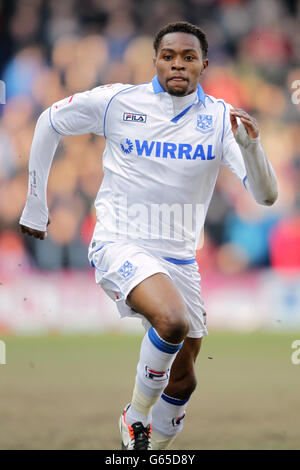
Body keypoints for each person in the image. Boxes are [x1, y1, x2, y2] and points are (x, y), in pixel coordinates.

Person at [19, 21, 278, 450]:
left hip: (180, 259)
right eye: (169, 56)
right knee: (172, 321)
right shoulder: (119, 102)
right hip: (120, 242)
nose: (178, 64)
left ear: (204, 65)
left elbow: (265, 197)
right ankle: (135, 417)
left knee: (184, 377)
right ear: (155, 60)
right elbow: (50, 120)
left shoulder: (218, 120)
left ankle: (145, 451)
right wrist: (35, 204)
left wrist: (251, 148)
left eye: (188, 57)